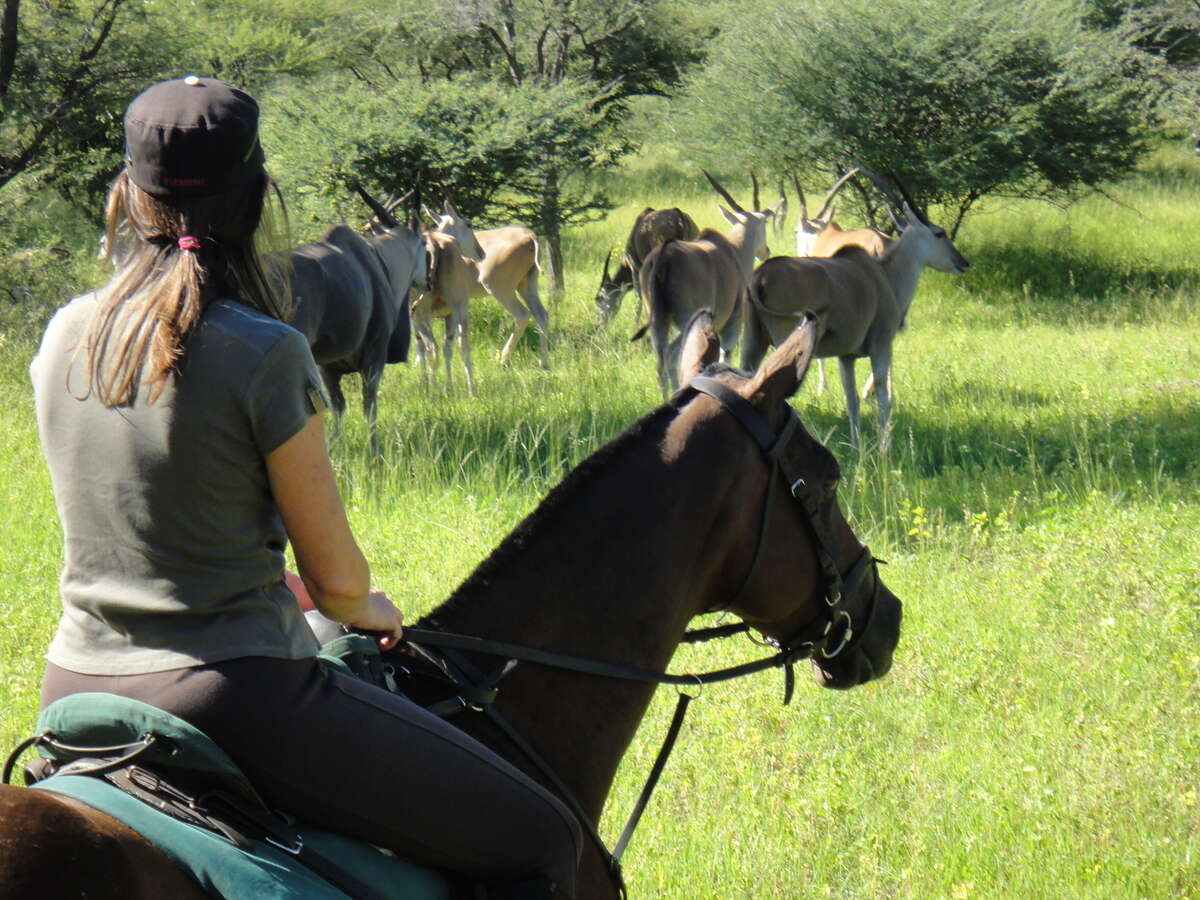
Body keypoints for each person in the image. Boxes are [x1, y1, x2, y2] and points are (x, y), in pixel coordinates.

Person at [30, 76, 581, 897]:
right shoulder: (265, 351)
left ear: (128, 197)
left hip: (72, 684)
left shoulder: (65, 331)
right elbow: (337, 584)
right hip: (234, 696)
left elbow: (156, 520)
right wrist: (371, 609)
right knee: (543, 840)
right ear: (257, 197)